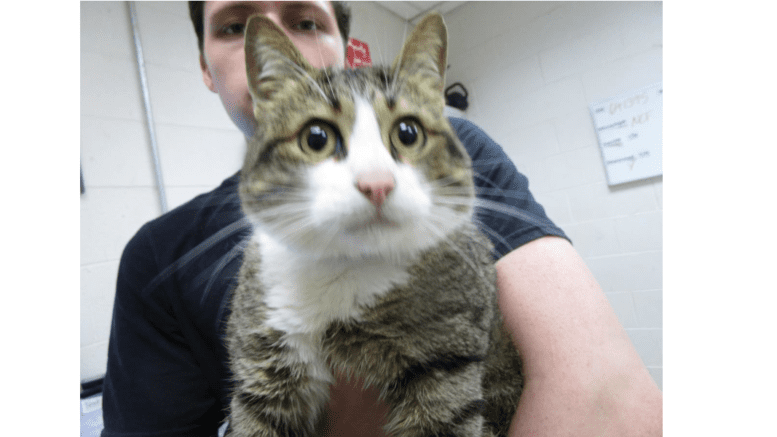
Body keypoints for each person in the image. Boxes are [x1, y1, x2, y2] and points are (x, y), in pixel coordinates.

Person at [100, 2, 663, 436]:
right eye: (233, 26)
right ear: (206, 64)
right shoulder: (161, 254)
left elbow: (613, 400)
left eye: (305, 19)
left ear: (345, 43)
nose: (375, 180)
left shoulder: (460, 155)